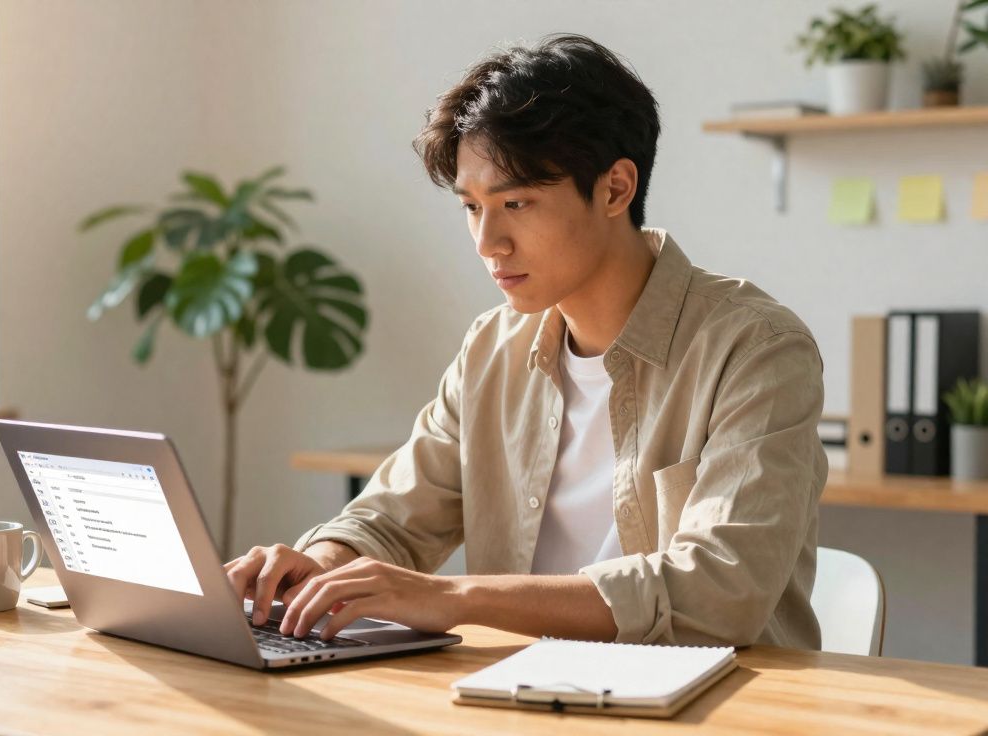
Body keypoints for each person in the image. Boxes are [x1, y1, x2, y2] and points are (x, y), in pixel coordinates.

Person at [225, 33, 827, 649]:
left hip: (715, 706)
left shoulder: (757, 347)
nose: (488, 242)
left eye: (516, 202)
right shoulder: (492, 347)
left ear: (616, 189)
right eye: (471, 207)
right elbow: (391, 518)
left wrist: (454, 598)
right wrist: (319, 564)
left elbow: (719, 592)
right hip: (523, 695)